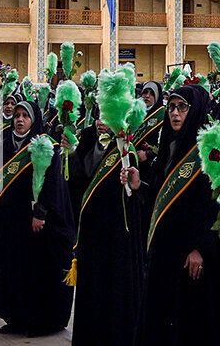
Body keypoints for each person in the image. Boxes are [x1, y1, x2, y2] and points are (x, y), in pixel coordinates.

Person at [137, 85, 220, 346]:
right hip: (170, 252)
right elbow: (165, 199)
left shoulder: (209, 148)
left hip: (199, 257)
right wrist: (139, 185)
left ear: (194, 109)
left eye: (182, 107)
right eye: (172, 107)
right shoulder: (170, 146)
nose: (175, 113)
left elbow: (218, 205)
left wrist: (200, 248)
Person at [0, 100, 76, 337]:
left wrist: (41, 212)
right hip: (12, 224)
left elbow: (53, 183)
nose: (20, 120)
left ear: (33, 120)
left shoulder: (45, 145)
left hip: (38, 225)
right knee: (14, 272)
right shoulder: (4, 145)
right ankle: (16, 318)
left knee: (37, 274)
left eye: (25, 115)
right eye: (17, 115)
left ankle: (41, 322)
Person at [67, 109, 145, 344]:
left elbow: (129, 194)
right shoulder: (90, 141)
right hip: (92, 229)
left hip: (116, 233)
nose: (102, 122)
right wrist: (72, 151)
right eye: (100, 115)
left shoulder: (125, 149)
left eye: (108, 116)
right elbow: (79, 179)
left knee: (114, 288)